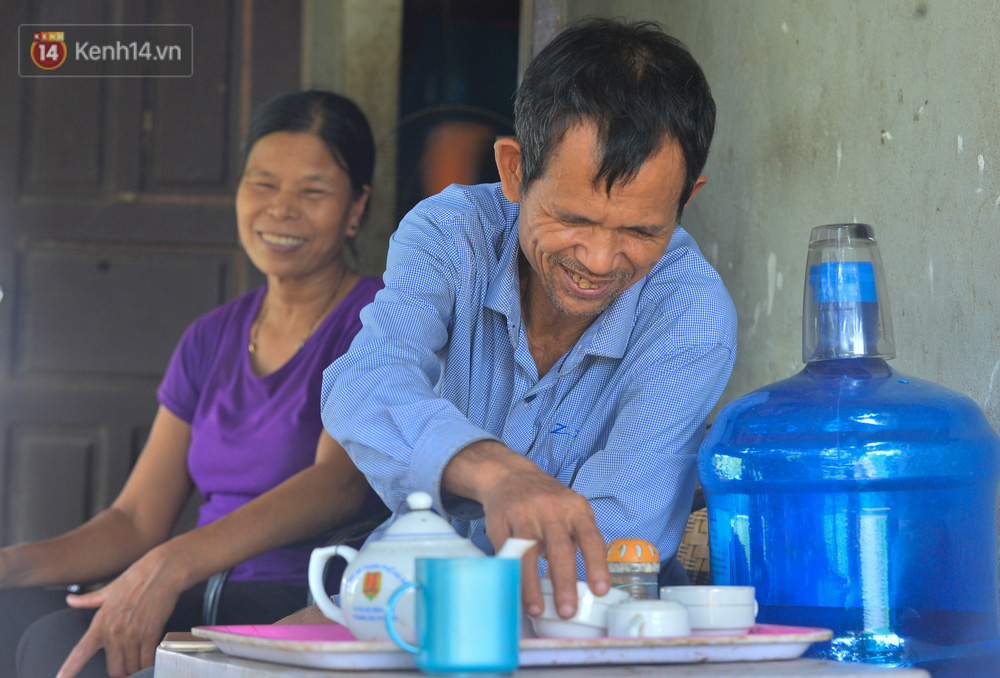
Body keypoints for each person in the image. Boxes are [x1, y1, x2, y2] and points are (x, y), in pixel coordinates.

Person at [319, 17, 737, 625]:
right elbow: (363, 383)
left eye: (641, 230)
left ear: (685, 200)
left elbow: (612, 546)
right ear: (514, 171)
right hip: (402, 601)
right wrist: (498, 472)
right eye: (573, 219)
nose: (598, 261)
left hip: (582, 637)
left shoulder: (691, 313)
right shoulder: (450, 233)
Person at [0, 90, 386, 678]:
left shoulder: (376, 321)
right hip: (193, 585)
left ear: (356, 207)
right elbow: (135, 519)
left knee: (63, 649)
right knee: (11, 609)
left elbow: (335, 485)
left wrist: (173, 563)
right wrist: (12, 563)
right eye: (262, 183)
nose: (281, 210)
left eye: (313, 191)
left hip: (301, 599)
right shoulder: (211, 337)